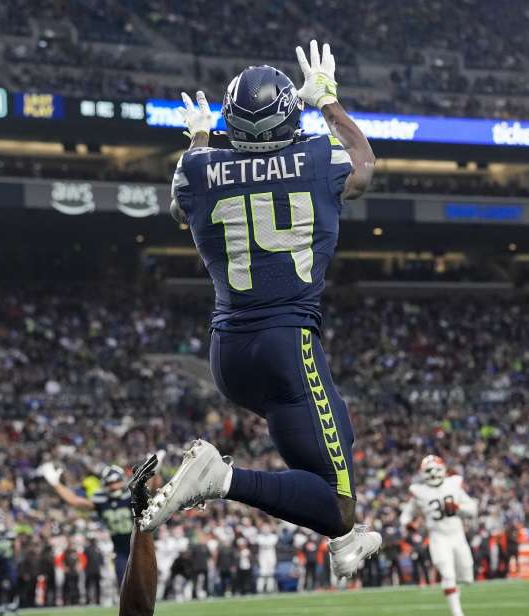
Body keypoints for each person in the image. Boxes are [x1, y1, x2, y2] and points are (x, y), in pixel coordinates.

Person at [141, 40, 381, 581]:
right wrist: (328, 101)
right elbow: (364, 166)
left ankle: (345, 542)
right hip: (286, 344)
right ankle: (222, 480)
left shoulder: (197, 168)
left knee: (340, 436)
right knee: (335, 502)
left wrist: (200, 139)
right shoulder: (319, 159)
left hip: (229, 352)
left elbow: (183, 205)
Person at [0, 456, 339, 616]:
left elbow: (78, 502)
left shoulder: (98, 503)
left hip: (123, 551)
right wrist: (144, 524)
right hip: (131, 547)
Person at [400, 456, 477, 616]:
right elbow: (405, 515)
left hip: (458, 535)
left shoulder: (453, 484)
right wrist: (408, 525)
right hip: (438, 537)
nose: (433, 474)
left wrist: (459, 509)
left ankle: (456, 593)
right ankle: (457, 614)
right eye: (428, 471)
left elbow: (472, 509)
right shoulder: (419, 491)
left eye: (435, 469)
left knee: (467, 574)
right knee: (448, 575)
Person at [41, 463, 137, 585]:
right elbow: (74, 501)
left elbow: (152, 490)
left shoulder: (130, 496)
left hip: (139, 543)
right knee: (124, 584)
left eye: (117, 482)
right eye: (110, 483)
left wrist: (155, 472)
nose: (114, 486)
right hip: (120, 549)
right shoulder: (101, 500)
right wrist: (55, 483)